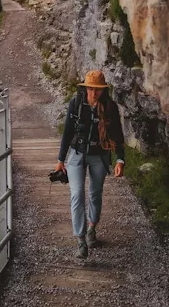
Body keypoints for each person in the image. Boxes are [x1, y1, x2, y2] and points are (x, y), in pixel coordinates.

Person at [54, 70, 125, 259]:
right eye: (90, 89)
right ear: (85, 88)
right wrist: (61, 160)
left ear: (103, 90)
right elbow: (68, 132)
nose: (93, 93)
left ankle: (91, 229)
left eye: (97, 90)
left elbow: (117, 134)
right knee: (77, 194)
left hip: (99, 155)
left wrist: (120, 159)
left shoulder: (110, 107)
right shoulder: (76, 104)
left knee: (95, 194)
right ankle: (80, 240)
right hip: (77, 154)